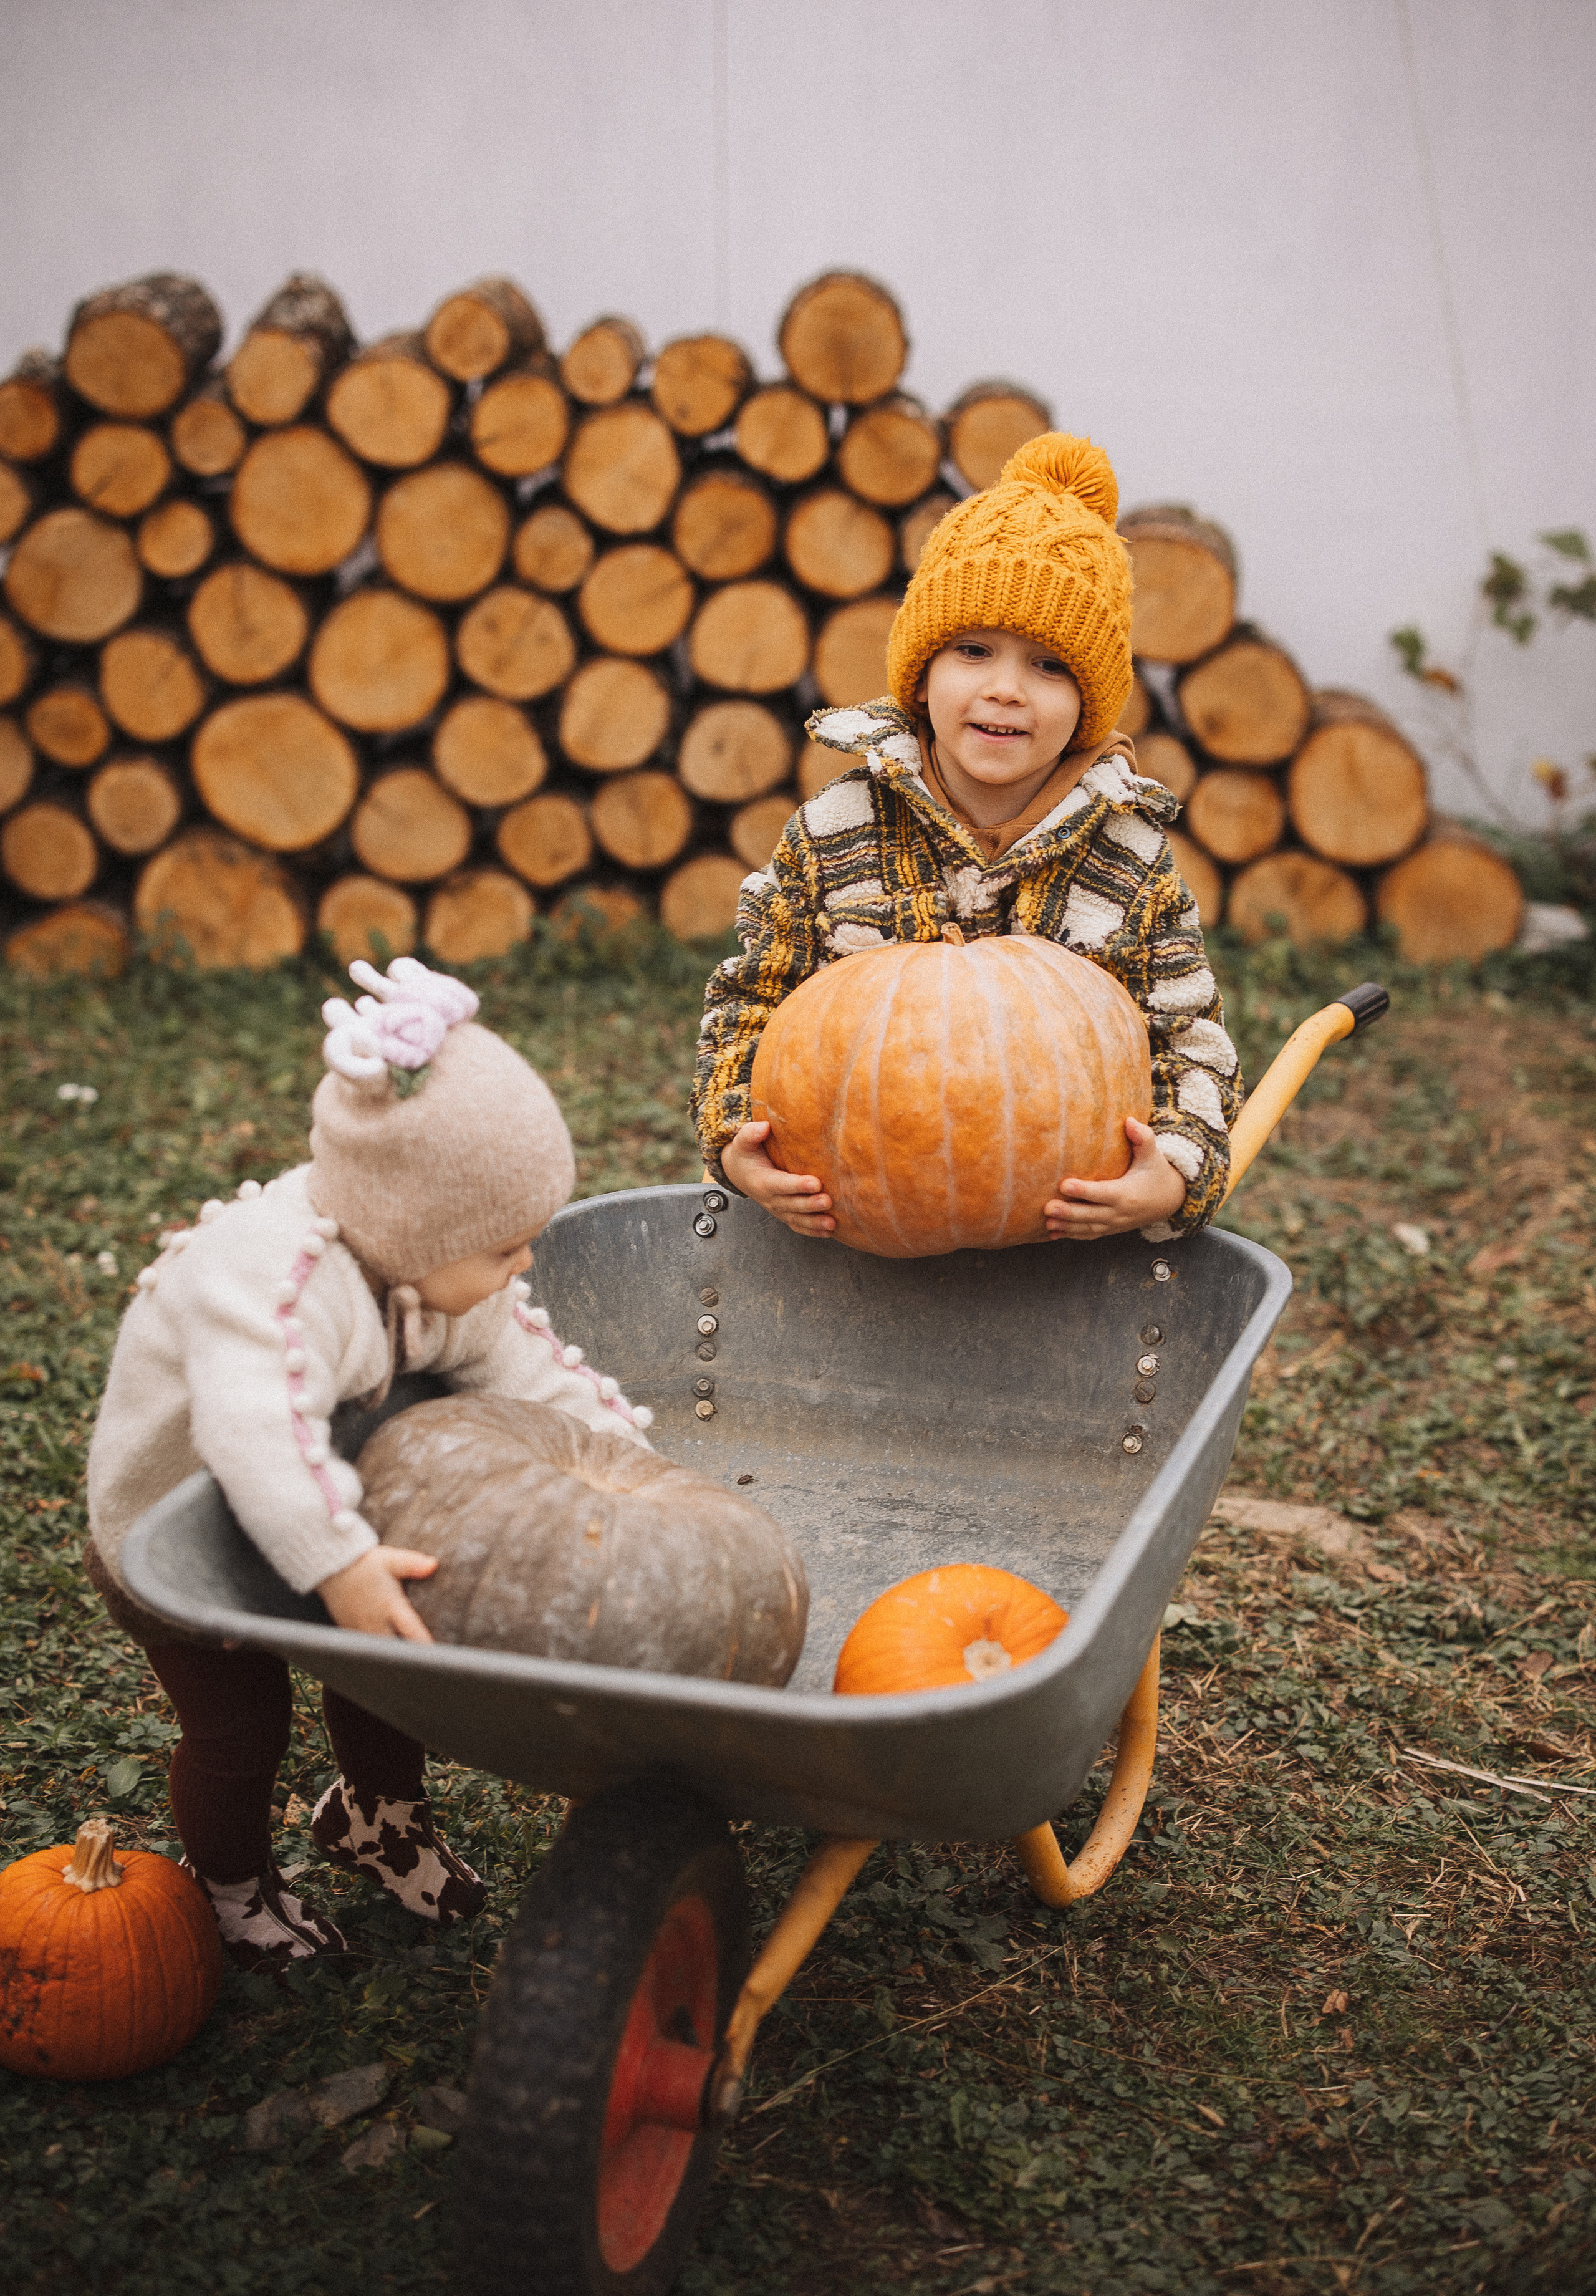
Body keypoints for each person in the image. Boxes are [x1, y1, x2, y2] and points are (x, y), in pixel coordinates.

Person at [85, 958, 652, 1970]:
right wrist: (337, 1561)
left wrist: (642, 1469)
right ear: (417, 1229)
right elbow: (253, 1431)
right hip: (177, 1544)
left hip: (323, 1493)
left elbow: (533, 1371)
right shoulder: (275, 1284)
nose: (524, 1263)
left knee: (384, 1672)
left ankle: (376, 1822)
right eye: (505, 1246)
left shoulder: (435, 1268)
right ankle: (234, 1890)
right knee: (239, 1733)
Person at [693, 432, 1243, 1242]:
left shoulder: (1127, 859)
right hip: (859, 1216)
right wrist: (735, 1142)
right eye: (974, 651)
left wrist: (1176, 1170)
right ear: (922, 672)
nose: (1006, 690)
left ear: (1091, 701)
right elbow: (754, 999)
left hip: (1064, 1231)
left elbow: (1186, 1032)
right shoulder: (835, 832)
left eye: (1050, 666)